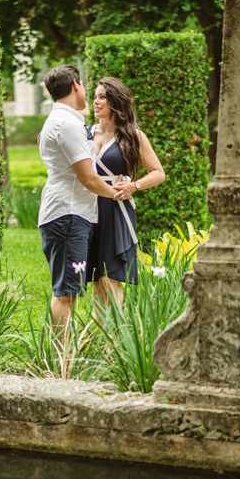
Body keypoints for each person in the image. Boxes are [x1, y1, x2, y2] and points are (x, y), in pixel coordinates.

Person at [37, 65, 132, 332]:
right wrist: (119, 193)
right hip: (69, 215)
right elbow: (88, 179)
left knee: (68, 291)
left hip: (69, 213)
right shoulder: (67, 124)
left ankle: (63, 360)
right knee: (66, 294)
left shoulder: (62, 121)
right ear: (76, 85)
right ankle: (61, 364)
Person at [86, 77, 166, 307]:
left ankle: (114, 341)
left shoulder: (133, 135)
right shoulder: (86, 134)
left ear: (116, 102)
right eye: (95, 97)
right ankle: (101, 340)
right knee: (97, 281)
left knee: (110, 279)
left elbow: (158, 172)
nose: (96, 102)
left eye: (102, 97)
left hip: (115, 210)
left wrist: (133, 186)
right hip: (89, 208)